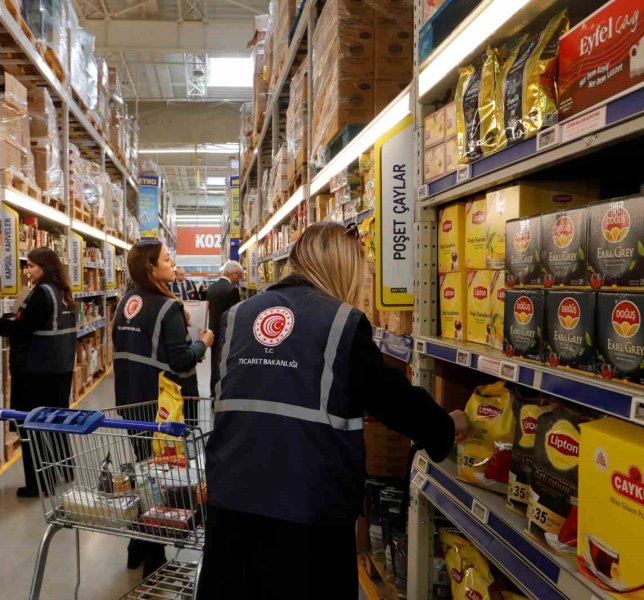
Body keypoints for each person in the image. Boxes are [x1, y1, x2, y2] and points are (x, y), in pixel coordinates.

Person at [197, 222, 469, 600]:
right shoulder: (340, 323)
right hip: (307, 517)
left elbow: (229, 394)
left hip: (231, 505)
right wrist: (444, 426)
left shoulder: (236, 317)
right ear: (344, 269)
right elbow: (393, 397)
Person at [112, 238, 214, 577]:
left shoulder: (127, 300)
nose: (174, 264)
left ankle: (137, 546)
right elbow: (182, 359)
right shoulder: (169, 309)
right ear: (151, 268)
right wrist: (204, 343)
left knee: (144, 473)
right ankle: (154, 559)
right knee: (162, 480)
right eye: (167, 259)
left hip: (130, 400)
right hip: (164, 410)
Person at [0, 247, 77, 498]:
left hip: (36, 372)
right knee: (57, 422)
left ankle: (38, 483)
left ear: (45, 267)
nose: (27, 271)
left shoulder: (42, 293)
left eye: (31, 266)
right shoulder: (62, 293)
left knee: (33, 427)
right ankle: (66, 469)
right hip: (60, 370)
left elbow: (23, 328)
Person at [206, 260, 244, 395]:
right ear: (233, 274)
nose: (238, 280)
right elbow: (234, 314)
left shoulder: (211, 287)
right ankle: (221, 393)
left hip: (211, 332)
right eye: (239, 276)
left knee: (213, 364)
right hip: (225, 333)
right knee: (224, 364)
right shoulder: (232, 290)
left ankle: (212, 393)